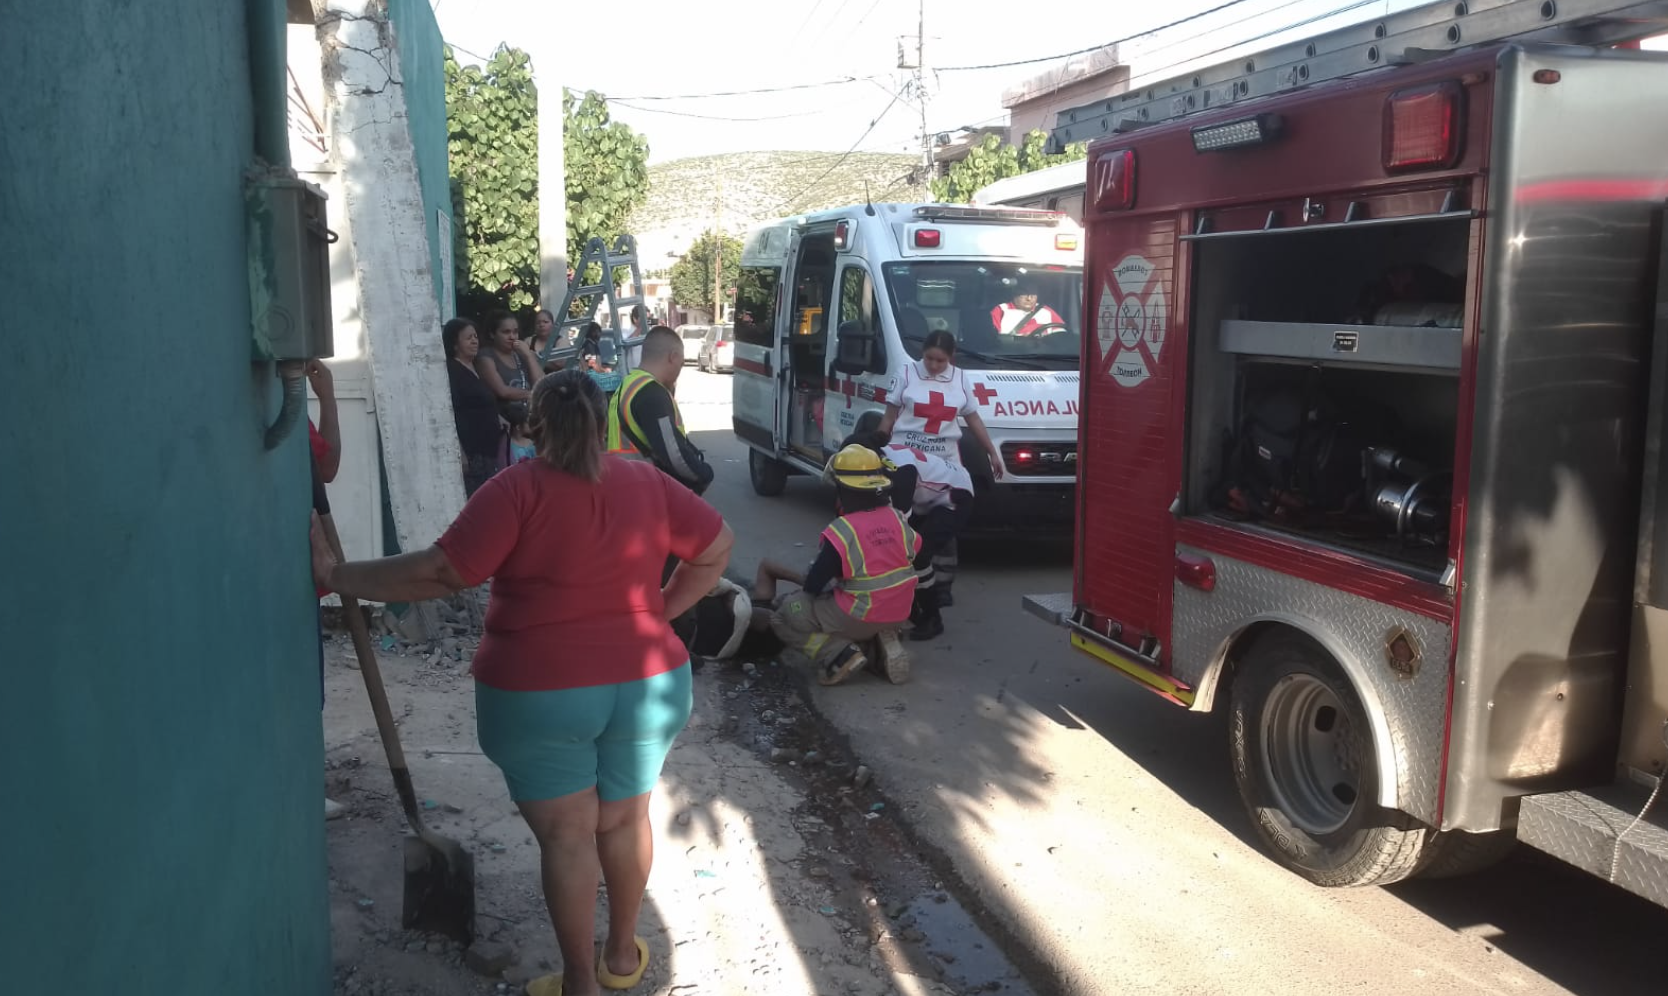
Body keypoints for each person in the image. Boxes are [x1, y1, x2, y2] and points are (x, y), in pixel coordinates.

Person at [310, 369, 735, 996]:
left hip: (541, 692)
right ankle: (622, 957)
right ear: (604, 419)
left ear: (532, 424)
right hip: (650, 681)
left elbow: (440, 572)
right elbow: (717, 545)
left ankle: (580, 985)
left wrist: (339, 576)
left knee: (568, 836)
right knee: (624, 819)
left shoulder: (515, 489)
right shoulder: (646, 480)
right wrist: (661, 611)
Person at [757, 445, 921, 687]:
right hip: (900, 609)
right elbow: (913, 550)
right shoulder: (897, 517)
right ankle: (880, 643)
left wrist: (804, 588)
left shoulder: (844, 530)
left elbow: (814, 585)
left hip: (861, 613)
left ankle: (837, 653)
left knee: (786, 615)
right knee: (847, 607)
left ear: (844, 489)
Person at [876, 329, 1003, 607]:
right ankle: (903, 583)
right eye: (929, 358)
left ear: (951, 357)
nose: (933, 366)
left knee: (943, 525)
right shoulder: (907, 373)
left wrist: (991, 452)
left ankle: (942, 587)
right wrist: (875, 449)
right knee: (903, 522)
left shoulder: (960, 379)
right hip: (905, 458)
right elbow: (888, 418)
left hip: (944, 462)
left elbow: (973, 419)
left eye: (940, 361)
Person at [841, 427, 973, 642]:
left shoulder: (901, 471)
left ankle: (932, 618)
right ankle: (911, 609)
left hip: (954, 496)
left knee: (917, 555)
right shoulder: (876, 461)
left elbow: (897, 528)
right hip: (926, 496)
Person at [605, 325, 713, 496]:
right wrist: (704, 473)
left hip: (625, 486)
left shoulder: (628, 385)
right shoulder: (651, 393)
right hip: (646, 492)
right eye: (681, 363)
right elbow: (674, 454)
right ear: (673, 357)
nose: (680, 370)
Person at [443, 317, 504, 496]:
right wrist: (459, 451)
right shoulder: (453, 371)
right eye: (468, 337)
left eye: (476, 336)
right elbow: (453, 411)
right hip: (472, 452)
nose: (474, 341)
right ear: (455, 343)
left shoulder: (476, 367)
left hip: (489, 451)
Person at [477, 311, 543, 419]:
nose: (512, 337)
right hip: (506, 422)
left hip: (532, 420)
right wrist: (533, 395)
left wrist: (529, 356)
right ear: (492, 334)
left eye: (515, 332)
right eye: (506, 332)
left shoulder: (521, 354)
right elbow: (502, 391)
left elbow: (542, 383)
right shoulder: (486, 356)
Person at [990, 278, 1066, 337]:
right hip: (1011, 354)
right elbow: (993, 338)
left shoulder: (1046, 311)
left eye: (1033, 295)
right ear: (1015, 295)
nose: (1029, 299)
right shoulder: (1001, 310)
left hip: (1044, 353)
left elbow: (1060, 335)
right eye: (1024, 294)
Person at [529, 309, 562, 373]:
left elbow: (561, 362)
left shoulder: (561, 340)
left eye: (545, 322)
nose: (541, 325)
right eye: (538, 322)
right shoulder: (529, 341)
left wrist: (535, 358)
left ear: (553, 324)